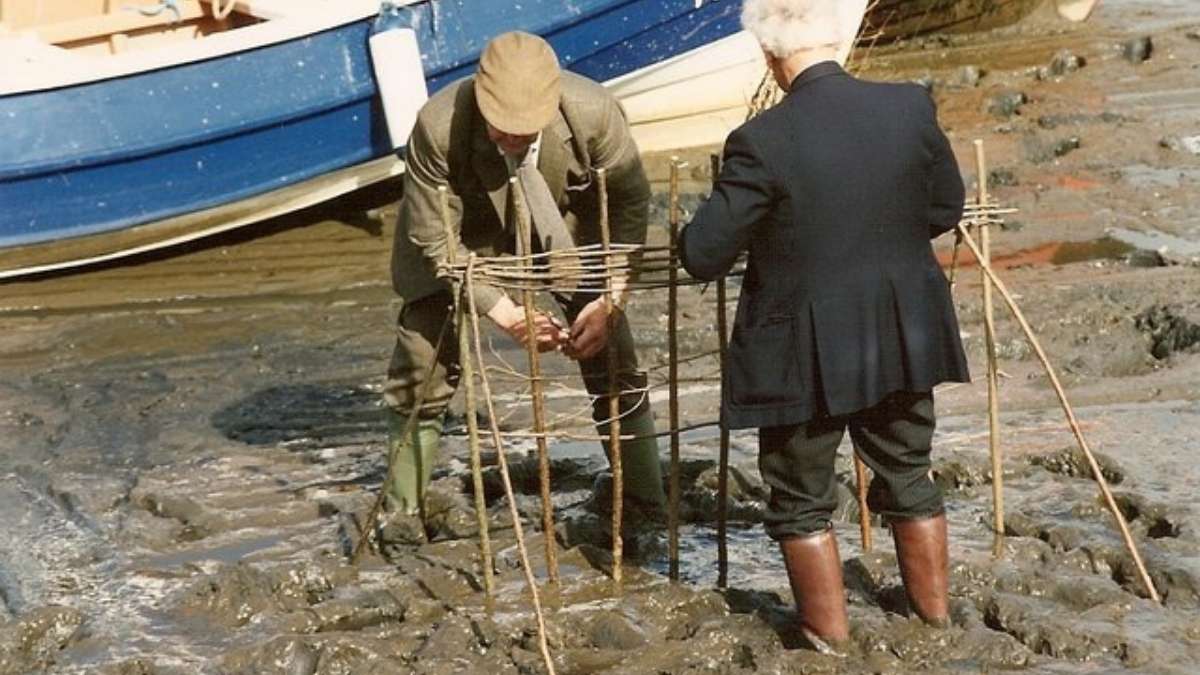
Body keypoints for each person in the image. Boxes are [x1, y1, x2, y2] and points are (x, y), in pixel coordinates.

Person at [679, 0, 969, 655]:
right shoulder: (909, 106)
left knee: (801, 498)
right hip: (901, 330)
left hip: (804, 354)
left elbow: (703, 253)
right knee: (908, 474)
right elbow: (946, 205)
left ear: (770, 53)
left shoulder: (761, 140)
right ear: (836, 36)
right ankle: (934, 619)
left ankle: (827, 637)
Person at [382, 31, 666, 541]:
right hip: (460, 235)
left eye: (524, 132)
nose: (511, 139)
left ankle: (647, 501)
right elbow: (434, 240)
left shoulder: (593, 114)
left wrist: (611, 299)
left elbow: (628, 210)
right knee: (420, 364)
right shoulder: (438, 124)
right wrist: (504, 312)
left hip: (562, 226)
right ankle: (402, 512)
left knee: (613, 354)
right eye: (500, 129)